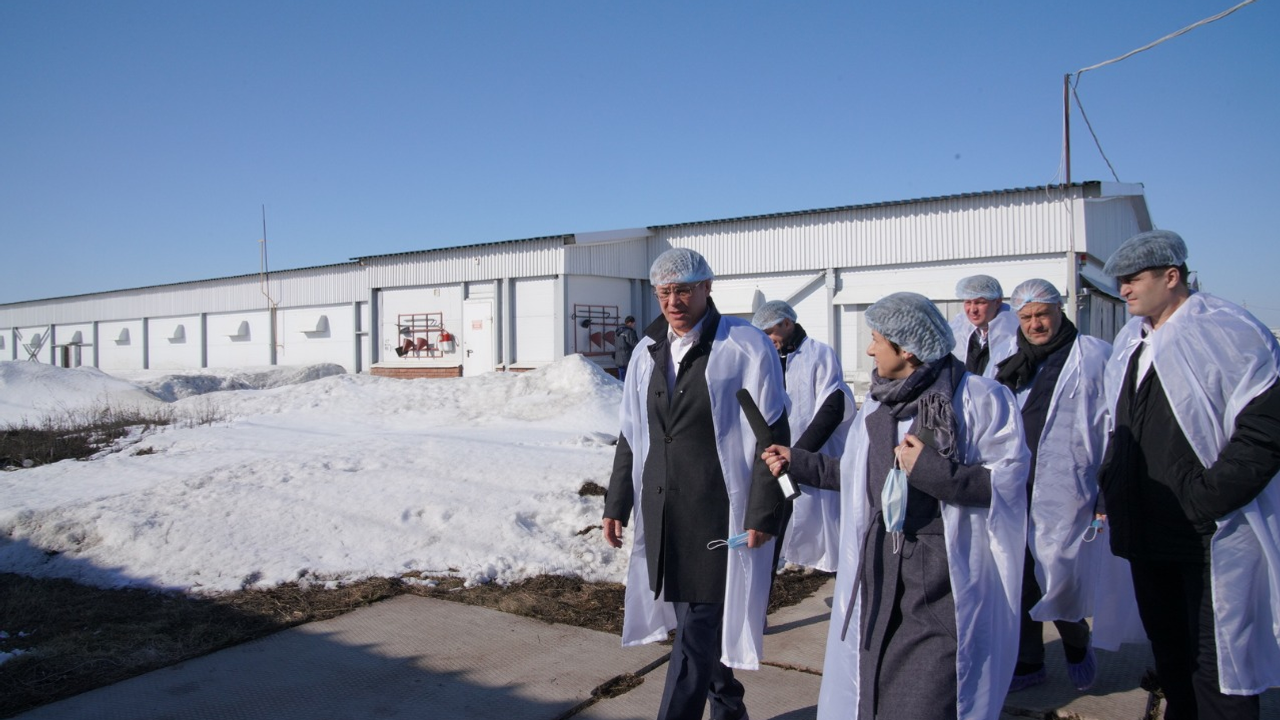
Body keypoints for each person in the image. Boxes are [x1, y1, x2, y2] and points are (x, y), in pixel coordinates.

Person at [763, 292, 1029, 720]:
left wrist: (932, 471)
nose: (869, 350)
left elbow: (1009, 484)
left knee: (925, 700)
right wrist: (799, 461)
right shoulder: (879, 404)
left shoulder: (979, 398)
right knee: (874, 696)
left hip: (939, 585)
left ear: (907, 349)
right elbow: (856, 475)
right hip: (878, 577)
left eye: (876, 340)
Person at [1097, 229, 1280, 719]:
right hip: (1146, 531)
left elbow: (1264, 430)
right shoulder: (1131, 340)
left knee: (1216, 666)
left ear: (1172, 276)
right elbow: (1118, 424)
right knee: (1172, 659)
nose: (1124, 289)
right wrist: (1111, 485)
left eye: (1134, 279)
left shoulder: (1228, 331)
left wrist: (1204, 500)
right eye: (1120, 281)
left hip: (1207, 536)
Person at [602, 247, 790, 720]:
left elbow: (770, 434)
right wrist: (616, 502)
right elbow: (633, 432)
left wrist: (763, 513)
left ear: (707, 287)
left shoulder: (745, 346)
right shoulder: (647, 350)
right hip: (664, 514)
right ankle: (730, 711)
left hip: (718, 516)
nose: (673, 302)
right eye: (664, 292)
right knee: (697, 628)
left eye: (684, 290)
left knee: (694, 636)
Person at [993, 279, 1111, 693]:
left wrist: (1105, 491)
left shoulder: (1093, 356)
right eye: (1025, 317)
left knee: (1061, 573)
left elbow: (1116, 425)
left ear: (1060, 310)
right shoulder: (1012, 360)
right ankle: (1028, 660)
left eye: (1042, 314)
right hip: (1014, 485)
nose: (1035, 324)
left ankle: (1076, 641)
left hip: (1069, 486)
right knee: (1018, 577)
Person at [751, 299, 853, 572]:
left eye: (770, 331)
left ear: (787, 323)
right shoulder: (768, 358)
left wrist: (800, 454)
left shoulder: (819, 354)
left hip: (812, 449)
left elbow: (832, 405)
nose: (767, 339)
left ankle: (816, 560)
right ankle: (790, 558)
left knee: (816, 509)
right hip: (778, 452)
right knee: (786, 506)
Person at [949, 274, 1019, 377]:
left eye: (980, 302)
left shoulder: (1013, 333)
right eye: (968, 302)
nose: (973, 310)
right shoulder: (958, 329)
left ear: (997, 302)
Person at [614, 315, 639, 382]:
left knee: (621, 377)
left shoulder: (617, 331)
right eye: (633, 324)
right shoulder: (628, 332)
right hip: (626, 357)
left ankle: (621, 387)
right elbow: (634, 343)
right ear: (630, 323)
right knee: (627, 378)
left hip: (618, 357)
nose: (634, 325)